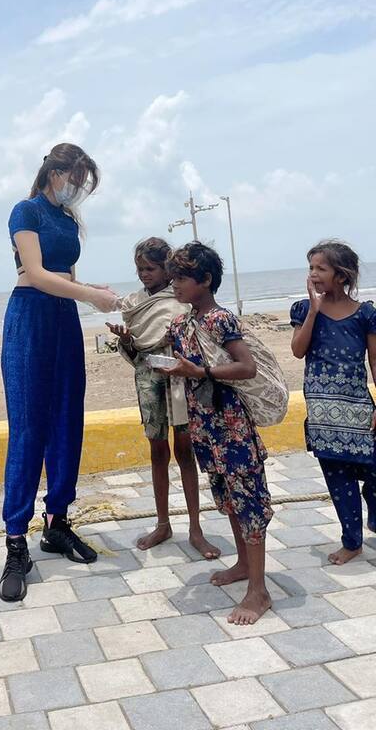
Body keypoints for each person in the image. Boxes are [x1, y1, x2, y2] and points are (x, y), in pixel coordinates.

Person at [0, 144, 119, 602]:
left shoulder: (67, 220)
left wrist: (88, 289)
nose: (79, 188)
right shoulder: (25, 211)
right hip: (30, 317)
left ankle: (57, 523)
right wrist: (89, 295)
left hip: (64, 319)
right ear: (56, 172)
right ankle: (16, 542)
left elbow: (65, 275)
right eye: (77, 178)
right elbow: (35, 273)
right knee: (29, 428)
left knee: (68, 421)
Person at [162, 242, 272, 626]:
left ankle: (259, 591)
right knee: (228, 498)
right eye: (173, 278)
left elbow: (247, 367)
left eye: (182, 278)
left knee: (248, 502)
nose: (175, 285)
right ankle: (243, 564)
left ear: (206, 280)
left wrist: (201, 372)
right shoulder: (182, 324)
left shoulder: (220, 320)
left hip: (232, 427)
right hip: (206, 427)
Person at [107, 237, 220, 559]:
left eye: (151, 268)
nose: (144, 274)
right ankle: (162, 524)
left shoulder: (181, 297)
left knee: (185, 451)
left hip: (181, 377)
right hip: (149, 379)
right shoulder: (135, 303)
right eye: (140, 269)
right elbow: (138, 351)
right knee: (158, 450)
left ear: (166, 270)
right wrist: (126, 341)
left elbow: (197, 338)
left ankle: (195, 528)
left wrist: (178, 344)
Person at [291, 240, 376, 565]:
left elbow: (375, 362)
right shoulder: (303, 310)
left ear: (341, 275)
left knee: (373, 473)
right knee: (339, 480)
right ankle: (352, 542)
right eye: (311, 267)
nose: (313, 274)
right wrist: (314, 310)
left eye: (321, 268)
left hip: (359, 409)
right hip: (323, 414)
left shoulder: (365, 314)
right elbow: (298, 350)